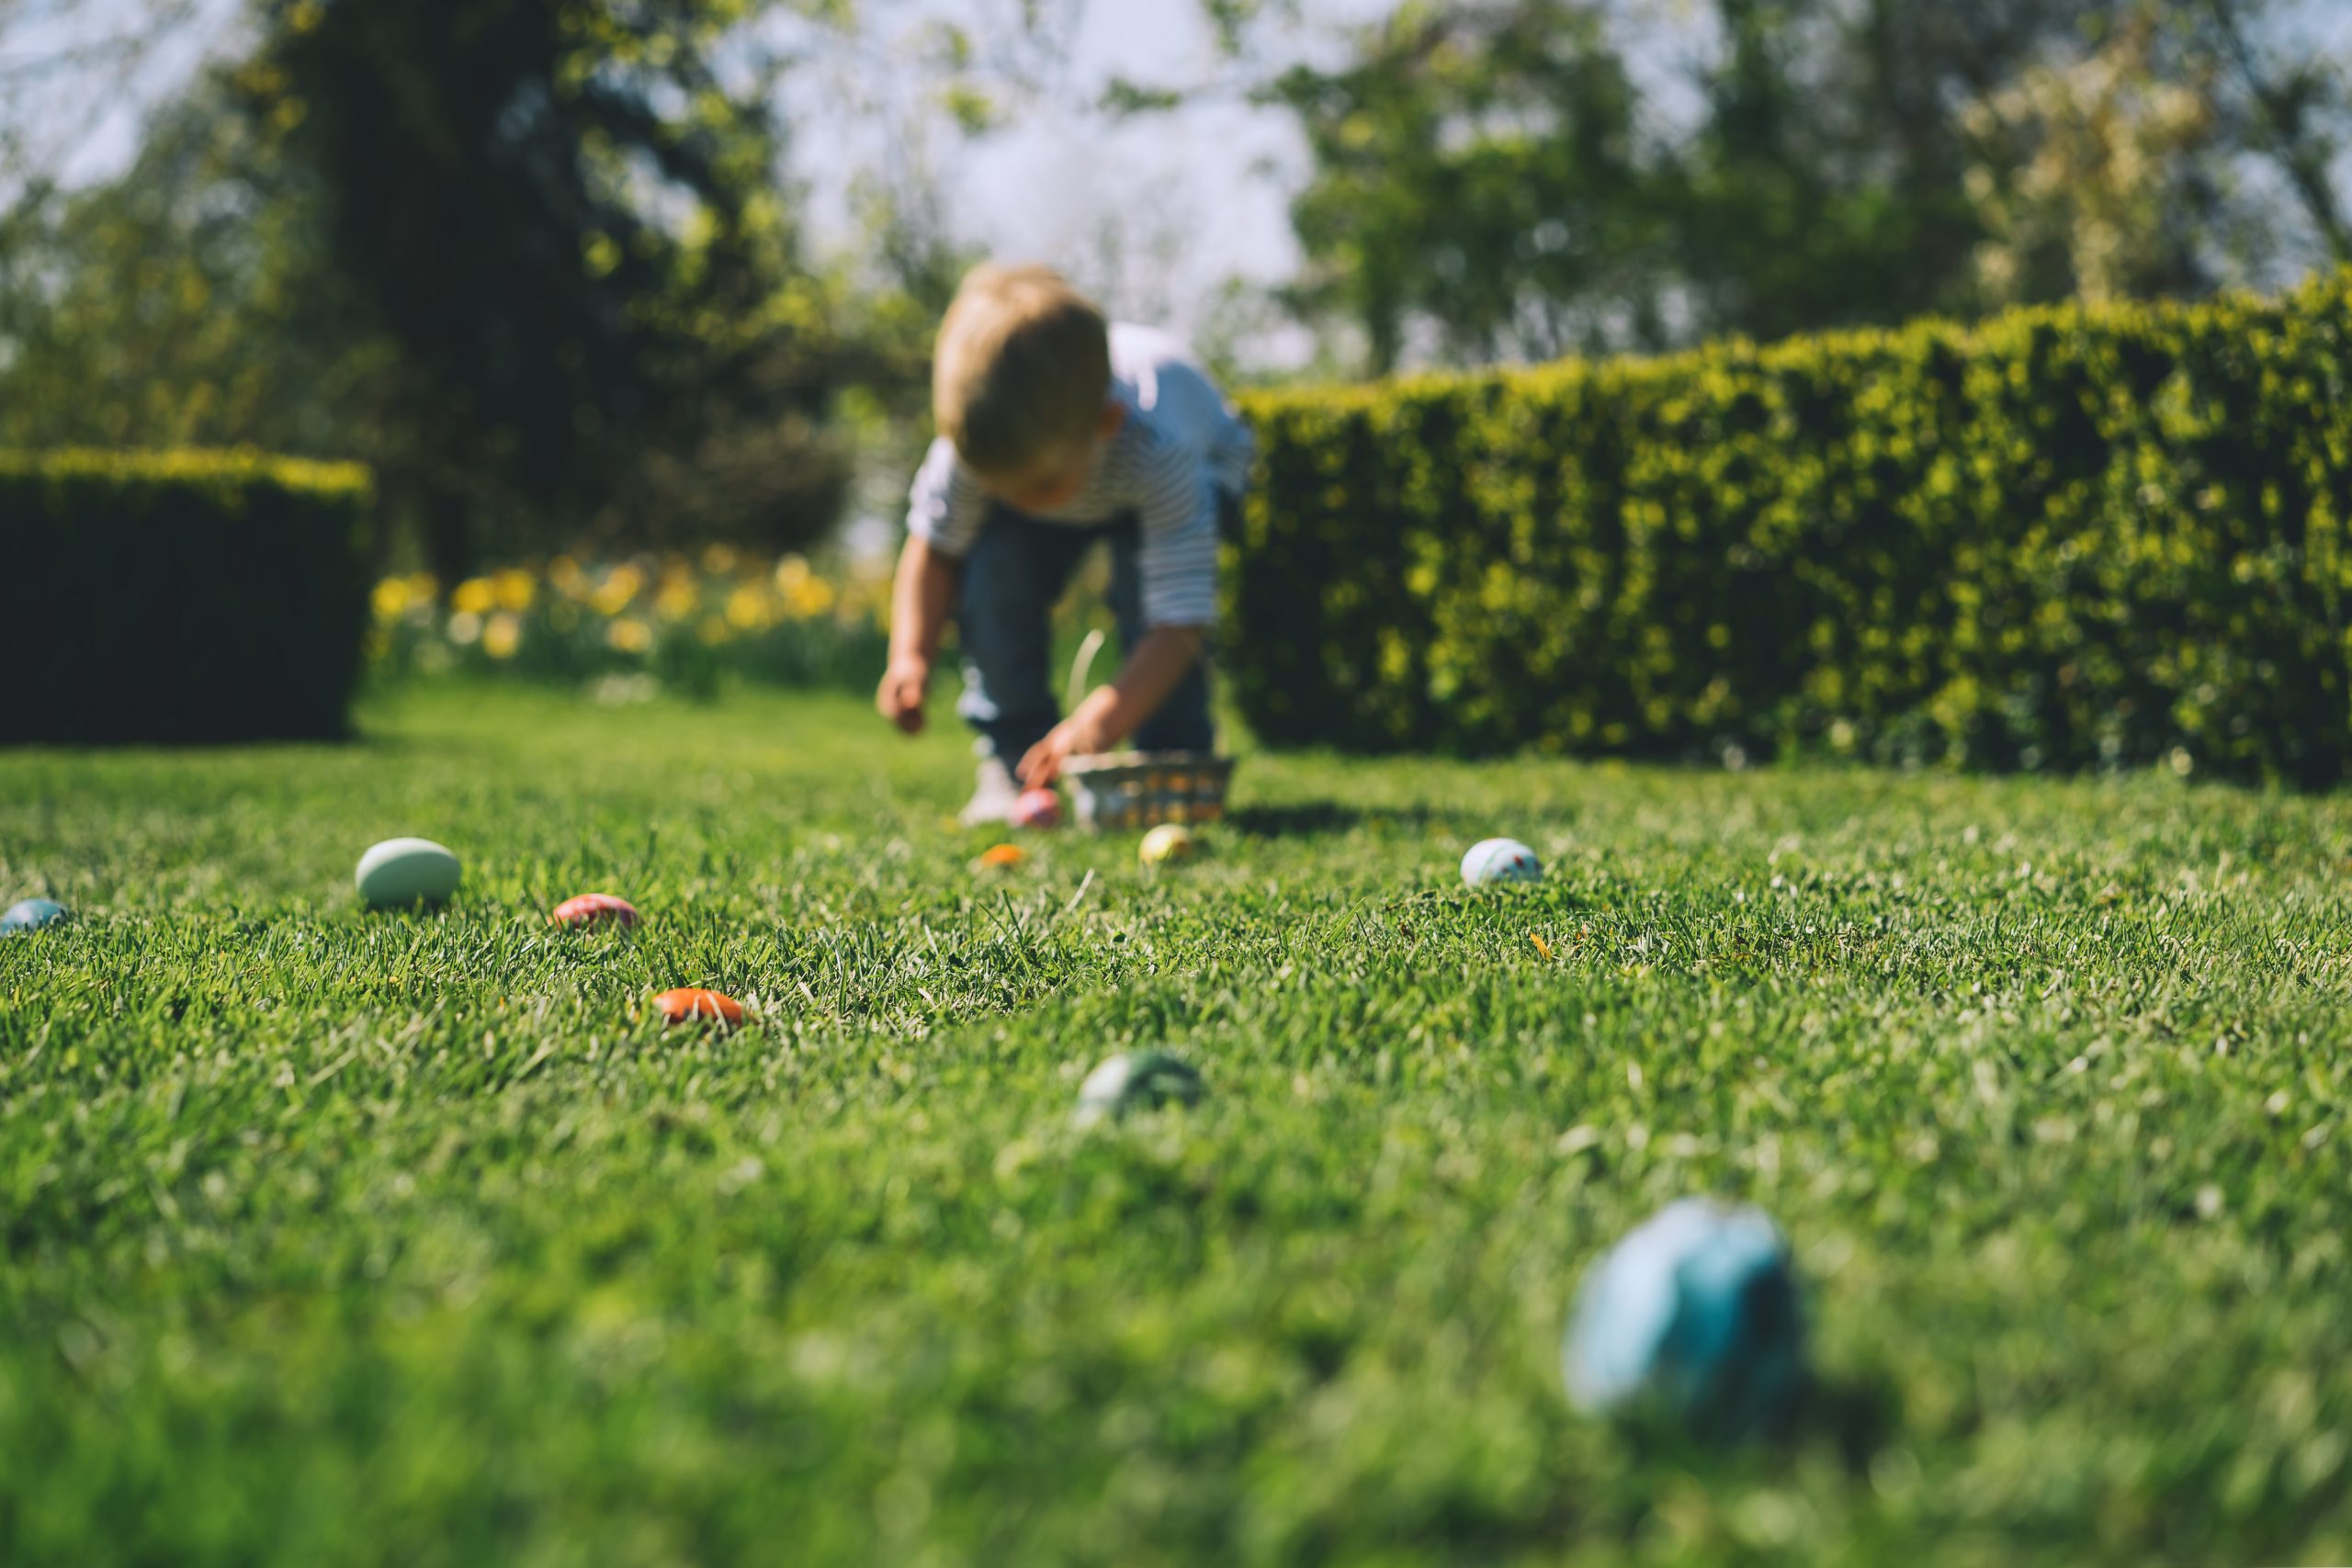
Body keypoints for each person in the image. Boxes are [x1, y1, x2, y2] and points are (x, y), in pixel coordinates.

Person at [875, 263, 1254, 823]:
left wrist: (1099, 721)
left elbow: (1179, 620)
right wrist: (910, 654)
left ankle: (1173, 761)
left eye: (1040, 485)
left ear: (1106, 422)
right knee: (997, 568)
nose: (1019, 501)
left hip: (1209, 460)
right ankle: (1016, 762)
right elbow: (935, 548)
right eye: (1000, 487)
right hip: (1095, 468)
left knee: (1145, 586)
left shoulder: (1162, 453)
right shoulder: (978, 446)